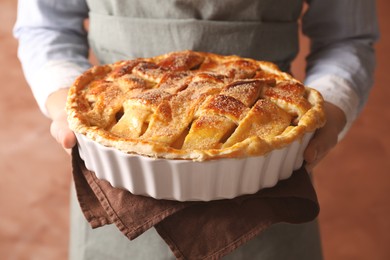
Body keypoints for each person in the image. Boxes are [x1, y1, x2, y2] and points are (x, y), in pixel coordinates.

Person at [14, 0, 379, 259]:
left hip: (268, 180)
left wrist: (328, 111)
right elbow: (45, 27)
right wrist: (66, 103)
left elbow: (346, 39)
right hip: (117, 170)